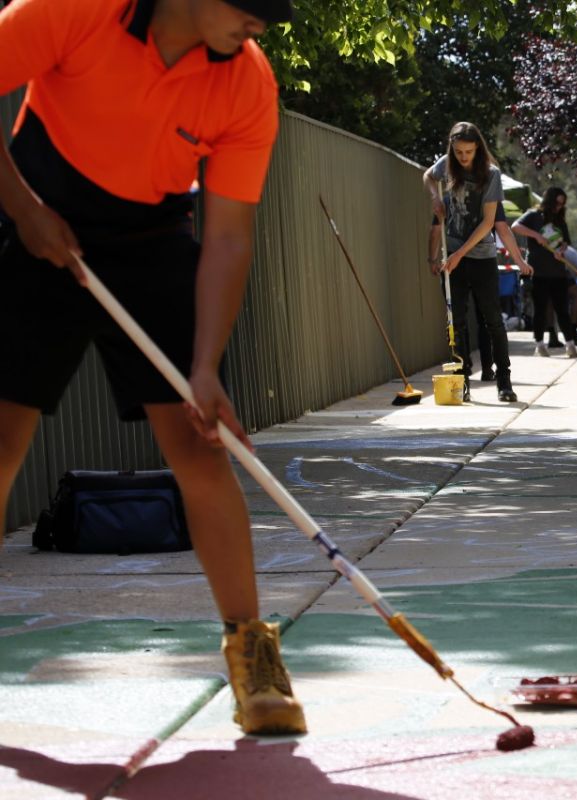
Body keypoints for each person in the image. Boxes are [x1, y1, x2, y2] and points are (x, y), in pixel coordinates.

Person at [0, 0, 305, 734]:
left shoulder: (247, 82)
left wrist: (205, 366)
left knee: (204, 446)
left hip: (151, 240)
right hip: (40, 213)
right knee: (2, 439)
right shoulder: (73, 9)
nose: (259, 24)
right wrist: (23, 207)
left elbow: (229, 235)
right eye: (249, 7)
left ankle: (252, 655)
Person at [422, 122, 518, 402]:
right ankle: (461, 381)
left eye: (469, 152)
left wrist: (459, 253)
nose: (464, 158)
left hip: (480, 257)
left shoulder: (490, 174)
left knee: (492, 321)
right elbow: (428, 176)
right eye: (459, 152)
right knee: (456, 322)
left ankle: (504, 382)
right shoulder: (447, 164)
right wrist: (435, 199)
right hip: (452, 259)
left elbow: (489, 222)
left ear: (478, 149)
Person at [426, 199, 530, 381]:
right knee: (484, 320)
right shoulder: (482, 195)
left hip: (458, 259)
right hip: (475, 261)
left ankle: (469, 375)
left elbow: (436, 229)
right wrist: (519, 261)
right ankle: (485, 373)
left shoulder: (451, 197)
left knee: (460, 321)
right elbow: (502, 229)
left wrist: (433, 258)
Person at [512, 188, 577, 358]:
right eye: (557, 202)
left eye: (562, 204)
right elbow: (515, 226)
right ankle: (540, 345)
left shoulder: (560, 220)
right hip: (538, 271)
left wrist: (561, 250)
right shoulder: (533, 215)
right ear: (549, 201)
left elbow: (565, 242)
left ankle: (570, 345)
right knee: (540, 309)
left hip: (558, 272)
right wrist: (536, 235)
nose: (559, 206)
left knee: (562, 309)